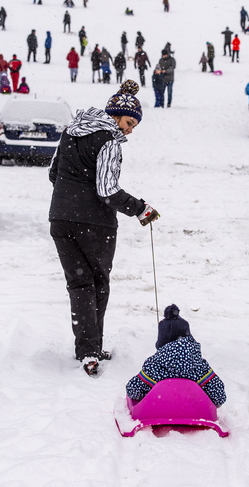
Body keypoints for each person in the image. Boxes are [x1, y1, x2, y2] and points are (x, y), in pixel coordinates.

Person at [48, 80, 159, 375]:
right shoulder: (109, 140)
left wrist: (70, 197)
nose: (130, 130)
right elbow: (106, 190)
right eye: (129, 122)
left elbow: (53, 174)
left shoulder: (71, 131)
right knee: (97, 284)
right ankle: (91, 348)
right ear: (115, 115)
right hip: (94, 224)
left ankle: (87, 351)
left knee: (79, 284)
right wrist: (140, 208)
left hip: (60, 220)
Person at [125, 304, 226, 406]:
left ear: (161, 342)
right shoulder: (200, 366)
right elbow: (219, 397)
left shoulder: (153, 366)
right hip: (194, 416)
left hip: (158, 415)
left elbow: (133, 391)